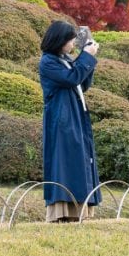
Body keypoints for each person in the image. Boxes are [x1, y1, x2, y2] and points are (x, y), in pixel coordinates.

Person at [39, 20, 101, 222]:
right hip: (61, 118)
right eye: (70, 40)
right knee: (64, 161)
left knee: (78, 159)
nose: (73, 44)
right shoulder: (48, 62)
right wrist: (86, 57)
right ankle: (61, 211)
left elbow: (81, 83)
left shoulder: (63, 59)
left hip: (74, 115)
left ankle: (78, 211)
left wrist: (88, 58)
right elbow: (72, 78)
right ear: (60, 40)